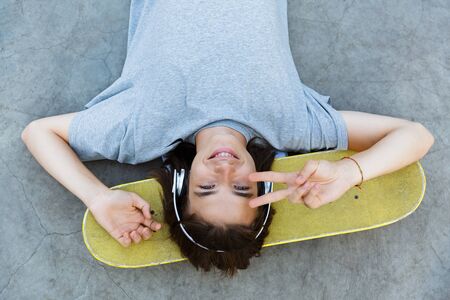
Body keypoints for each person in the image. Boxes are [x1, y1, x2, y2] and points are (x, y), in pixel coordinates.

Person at [21, 0, 434, 277]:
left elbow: (39, 132)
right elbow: (415, 135)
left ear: (180, 183)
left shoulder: (138, 131)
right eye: (241, 187)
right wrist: (348, 172)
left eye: (206, 186)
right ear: (265, 182)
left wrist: (97, 197)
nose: (225, 168)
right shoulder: (293, 125)